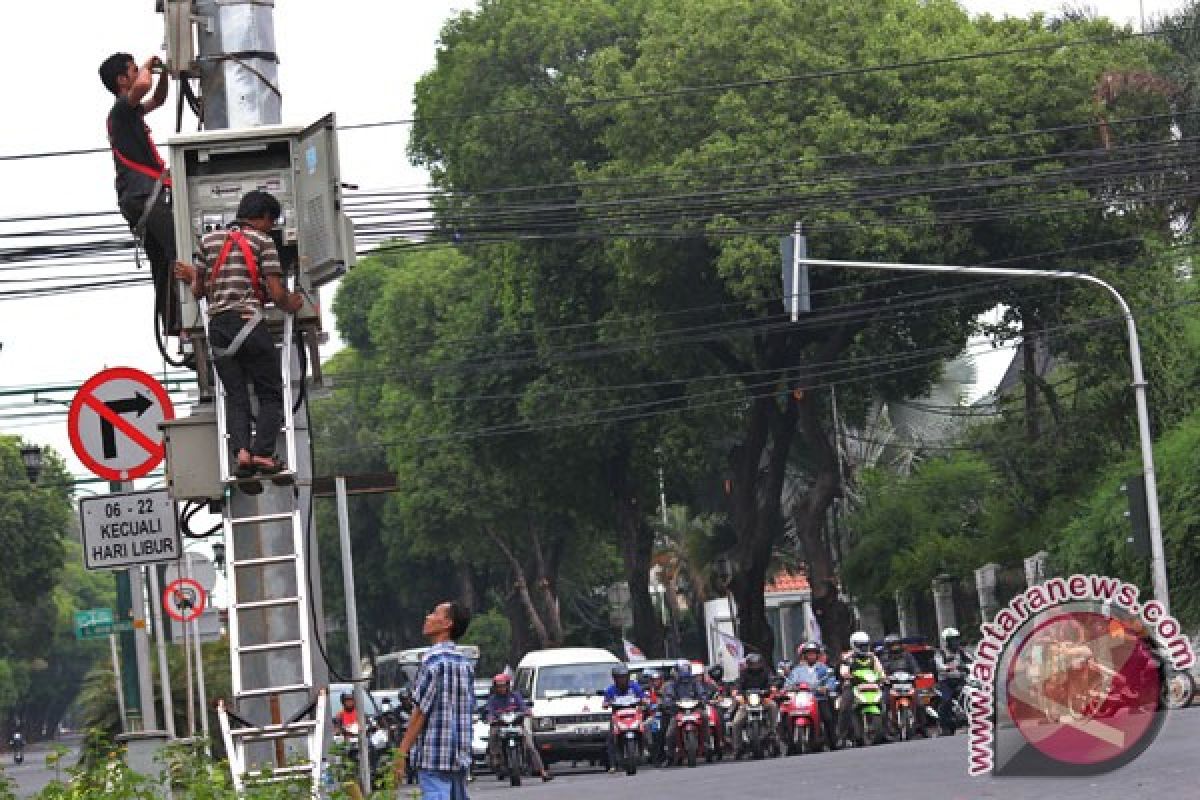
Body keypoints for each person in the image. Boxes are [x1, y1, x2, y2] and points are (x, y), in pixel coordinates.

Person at [174, 190, 304, 480]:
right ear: (264, 218)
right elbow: (275, 291)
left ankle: (242, 454)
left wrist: (192, 277)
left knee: (235, 395)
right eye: (272, 222)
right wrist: (292, 304)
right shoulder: (264, 241)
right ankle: (262, 453)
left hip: (219, 329)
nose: (272, 228)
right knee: (269, 393)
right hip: (250, 324)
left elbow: (199, 291)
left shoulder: (208, 241)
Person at [98, 52, 180, 336]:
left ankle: (173, 323)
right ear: (122, 80)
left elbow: (157, 99)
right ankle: (183, 317)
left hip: (140, 196)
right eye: (132, 70)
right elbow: (143, 87)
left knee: (162, 259)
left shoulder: (130, 113)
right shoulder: (119, 111)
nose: (138, 73)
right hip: (142, 195)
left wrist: (165, 74)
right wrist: (147, 66)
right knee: (178, 250)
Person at [397, 602, 474, 800]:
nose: (428, 617)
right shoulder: (465, 664)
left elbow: (420, 712)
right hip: (459, 756)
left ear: (447, 623)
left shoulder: (432, 661)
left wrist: (401, 753)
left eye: (434, 613)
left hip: (434, 755)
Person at [483, 673, 552, 781]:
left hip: (516, 725)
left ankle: (543, 772)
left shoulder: (515, 696)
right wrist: (491, 718)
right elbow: (489, 711)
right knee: (493, 735)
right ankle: (496, 758)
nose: (501, 688)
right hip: (500, 725)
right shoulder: (493, 699)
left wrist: (526, 712)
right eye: (499, 686)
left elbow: (523, 707)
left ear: (508, 685)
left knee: (530, 746)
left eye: (503, 685)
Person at [836, 631, 888, 745]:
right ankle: (842, 737)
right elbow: (843, 670)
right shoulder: (848, 657)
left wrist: (883, 678)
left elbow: (880, 670)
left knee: (885, 703)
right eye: (861, 646)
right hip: (852, 685)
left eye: (865, 645)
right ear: (854, 645)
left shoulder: (872, 657)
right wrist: (848, 676)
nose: (864, 648)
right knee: (844, 707)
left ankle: (886, 732)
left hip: (872, 686)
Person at [785, 641, 839, 749]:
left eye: (813, 653)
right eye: (809, 654)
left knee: (827, 718)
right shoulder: (797, 670)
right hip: (801, 699)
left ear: (817, 655)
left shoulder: (823, 668)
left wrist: (826, 687)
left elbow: (831, 680)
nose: (811, 656)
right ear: (804, 655)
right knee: (786, 716)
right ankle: (790, 745)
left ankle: (833, 742)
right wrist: (789, 687)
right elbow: (789, 682)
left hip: (818, 698)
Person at [730, 652, 779, 758]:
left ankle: (772, 729)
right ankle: (737, 748)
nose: (755, 666)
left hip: (762, 700)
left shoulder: (766, 672)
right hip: (747, 702)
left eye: (757, 664)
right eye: (752, 664)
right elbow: (738, 685)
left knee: (773, 705)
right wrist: (736, 692)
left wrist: (772, 688)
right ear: (748, 664)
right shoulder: (743, 673)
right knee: (736, 723)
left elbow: (771, 682)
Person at [662, 660, 710, 765]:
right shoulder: (671, 684)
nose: (684, 672)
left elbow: (702, 693)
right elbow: (668, 697)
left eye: (686, 669)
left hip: (694, 710)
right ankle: (670, 755)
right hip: (679, 711)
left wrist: (703, 699)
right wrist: (669, 702)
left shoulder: (695, 682)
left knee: (705, 716)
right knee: (670, 733)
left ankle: (706, 743)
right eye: (682, 669)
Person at [602, 665, 645, 772]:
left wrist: (644, 700)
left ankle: (643, 749)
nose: (622, 680)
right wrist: (606, 703)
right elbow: (605, 701)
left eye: (624, 677)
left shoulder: (634, 687)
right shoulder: (610, 690)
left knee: (644, 729)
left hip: (633, 713)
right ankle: (612, 764)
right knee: (611, 736)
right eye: (619, 677)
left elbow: (643, 696)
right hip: (617, 715)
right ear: (615, 678)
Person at [879, 634, 920, 737]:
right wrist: (884, 678)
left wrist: (916, 675)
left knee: (920, 704)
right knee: (883, 707)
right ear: (888, 647)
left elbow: (915, 667)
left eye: (897, 645)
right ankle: (886, 731)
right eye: (893, 645)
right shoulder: (884, 658)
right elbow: (881, 671)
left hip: (907, 684)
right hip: (891, 686)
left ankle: (920, 727)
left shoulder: (907, 656)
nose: (895, 647)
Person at [934, 627, 973, 735]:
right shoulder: (941, 652)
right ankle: (944, 724)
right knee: (947, 700)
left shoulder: (961, 651)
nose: (955, 642)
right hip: (946, 681)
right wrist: (947, 667)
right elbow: (939, 665)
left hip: (961, 680)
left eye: (956, 639)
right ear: (947, 641)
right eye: (952, 640)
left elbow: (971, 660)